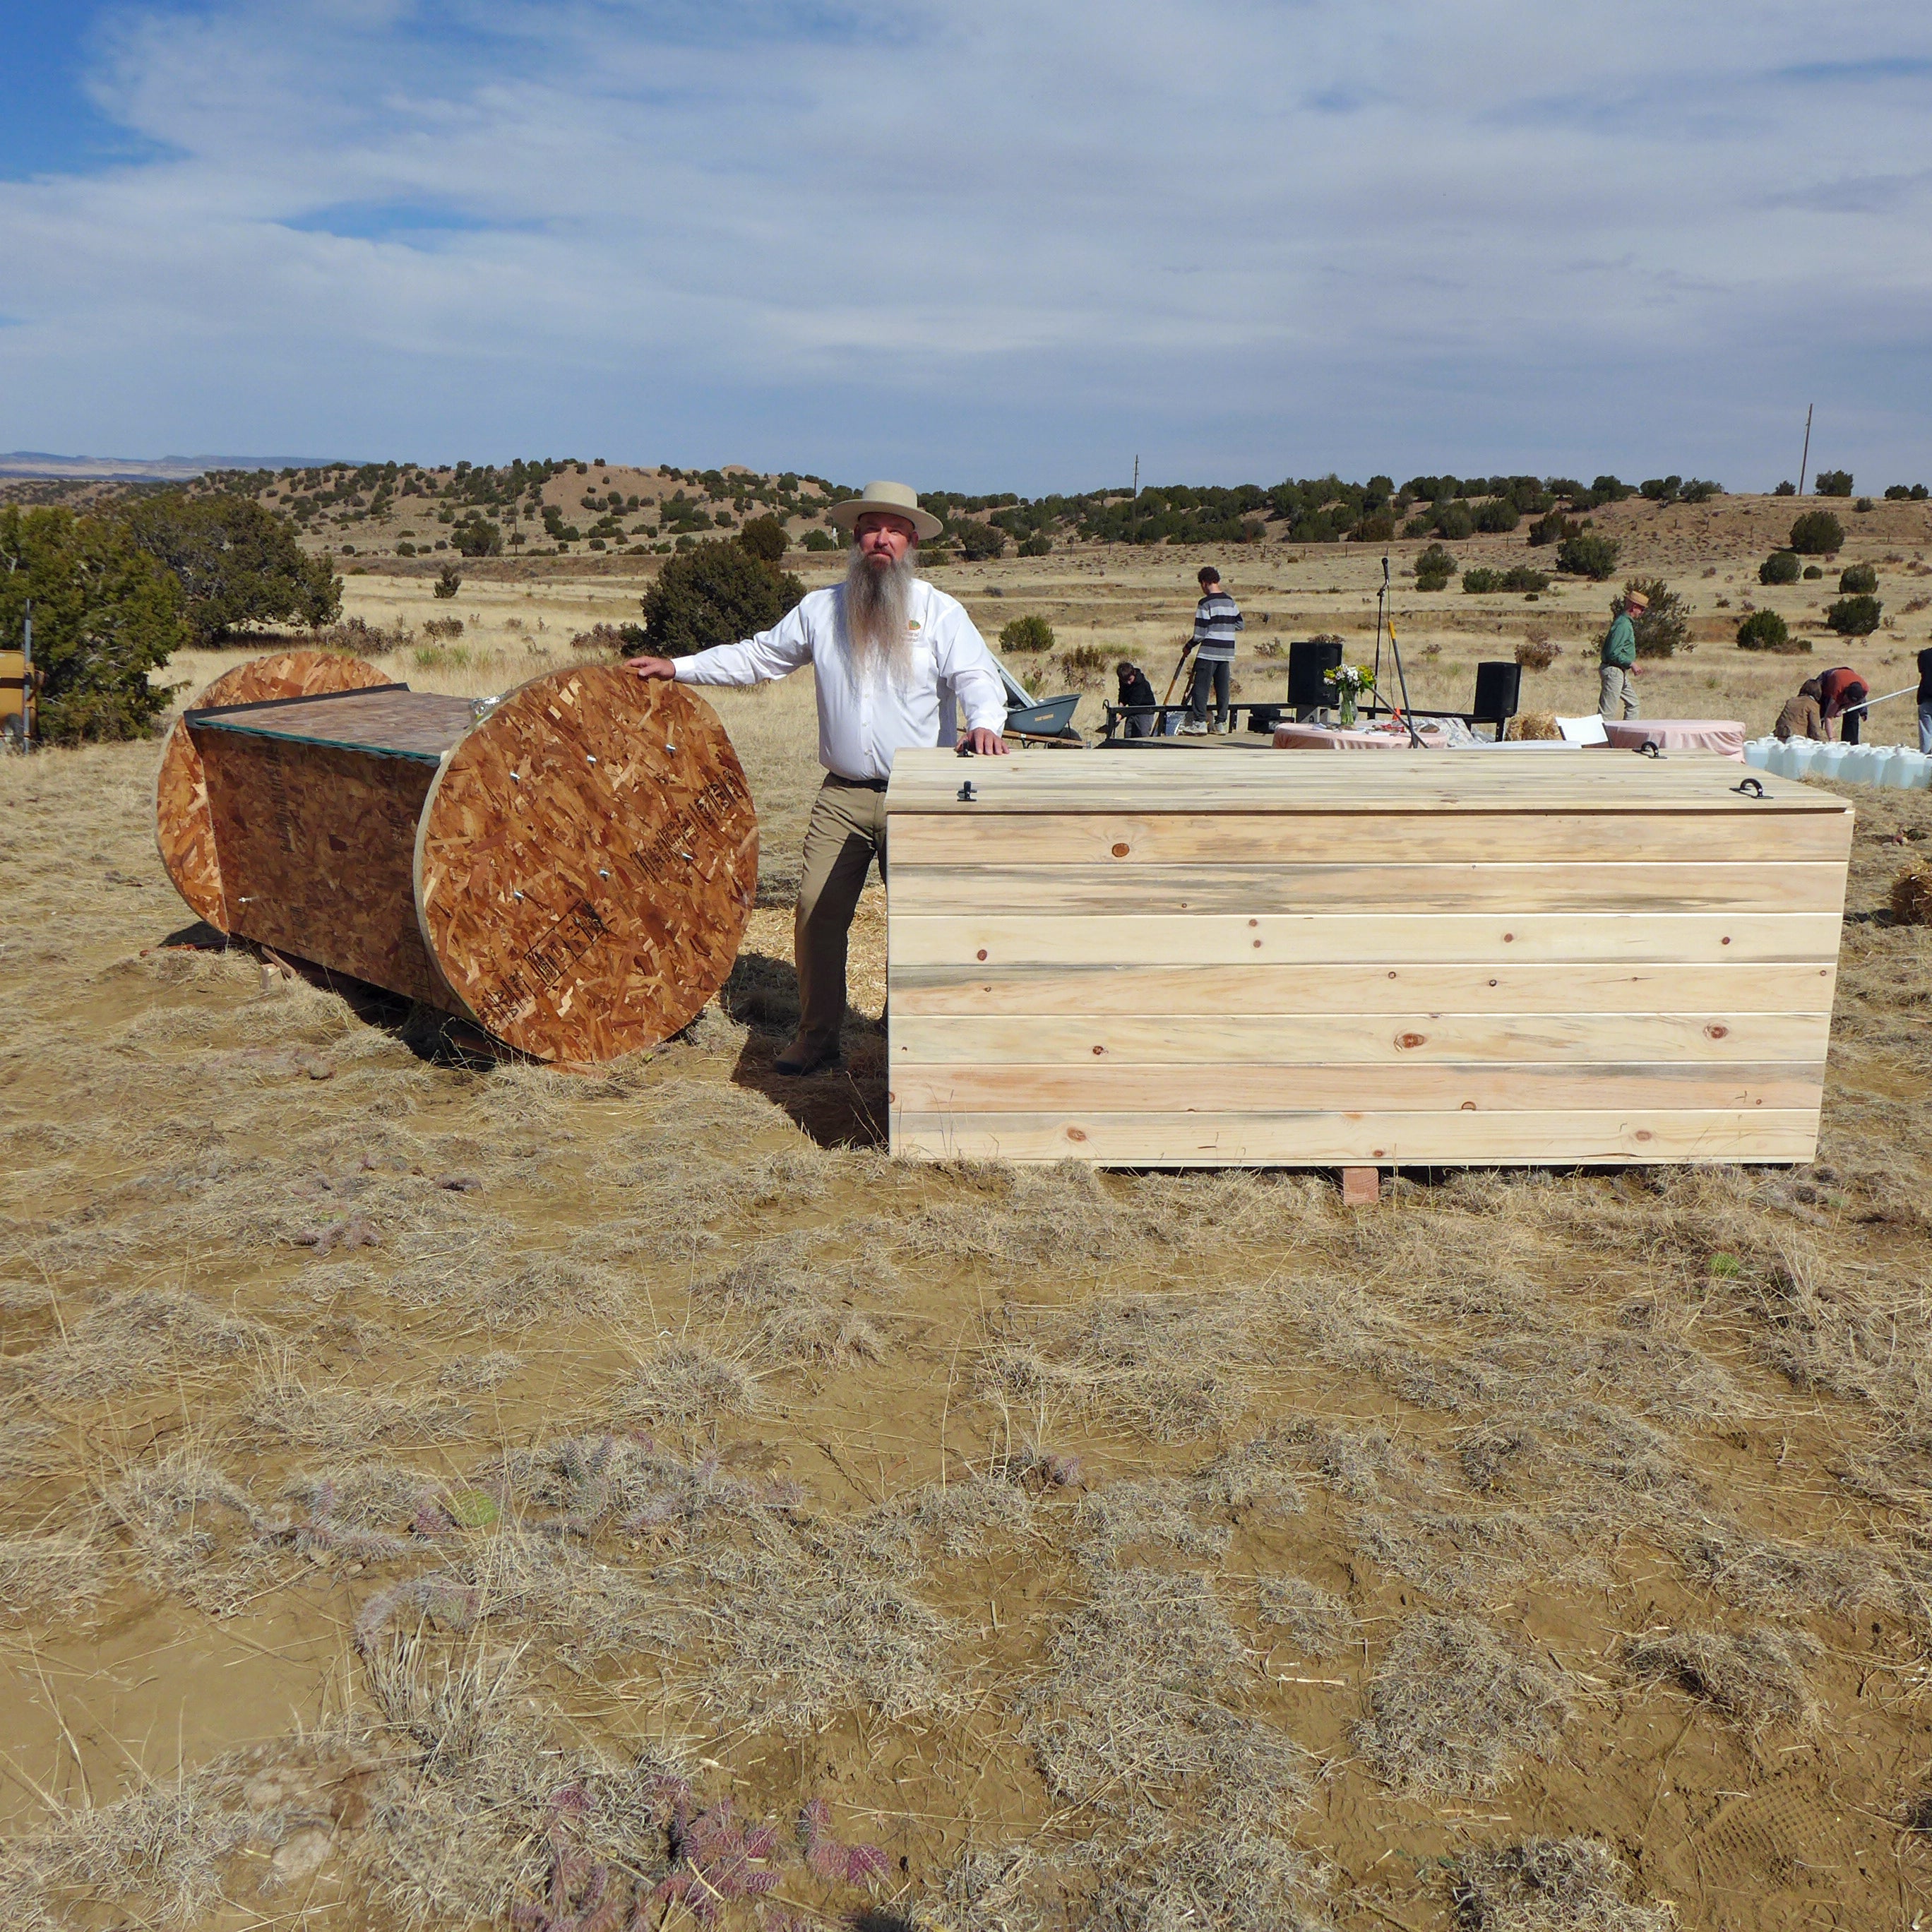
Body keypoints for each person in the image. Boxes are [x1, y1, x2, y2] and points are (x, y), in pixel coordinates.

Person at [626, 479, 1008, 1077]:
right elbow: (758, 657)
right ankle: (817, 1037)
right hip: (844, 794)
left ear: (911, 541)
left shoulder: (939, 611)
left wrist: (985, 723)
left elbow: (977, 678)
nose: (883, 538)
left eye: (895, 529)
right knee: (813, 909)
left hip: (922, 793)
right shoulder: (820, 609)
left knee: (925, 919)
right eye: (872, 528)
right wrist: (680, 668)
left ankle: (909, 1037)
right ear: (856, 539)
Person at [1179, 566, 1243, 734]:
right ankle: (1220, 723)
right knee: (1223, 687)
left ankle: (1200, 722)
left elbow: (1200, 634)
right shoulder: (1230, 601)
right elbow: (1240, 624)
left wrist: (1188, 646)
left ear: (1205, 583)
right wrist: (1224, 628)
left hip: (1209, 651)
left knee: (1201, 686)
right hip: (1227, 650)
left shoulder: (1204, 603)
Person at [1597, 588, 1645, 720]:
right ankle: (1599, 739)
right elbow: (1613, 652)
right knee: (1607, 713)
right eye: (1642, 609)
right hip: (1613, 670)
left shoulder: (1625, 623)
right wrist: (1631, 663)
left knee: (1633, 704)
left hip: (1619, 671)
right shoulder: (1623, 624)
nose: (1642, 613)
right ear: (1634, 607)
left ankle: (1628, 735)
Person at [1817, 664, 1869, 744]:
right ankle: (1815, 739)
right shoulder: (1838, 691)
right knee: (1818, 712)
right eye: (1847, 699)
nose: (1848, 702)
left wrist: (1841, 709)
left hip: (1847, 674)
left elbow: (1857, 702)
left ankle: (1850, 743)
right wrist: (1832, 738)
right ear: (1845, 694)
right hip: (1827, 680)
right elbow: (1828, 717)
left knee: (1852, 712)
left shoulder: (1865, 689)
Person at [1773, 677, 1825, 743]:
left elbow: (1779, 721)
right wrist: (1824, 743)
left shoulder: (1791, 700)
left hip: (1779, 733)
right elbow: (1815, 730)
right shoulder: (1813, 704)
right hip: (1796, 738)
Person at [1115, 659, 1158, 738]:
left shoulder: (1141, 684)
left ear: (1134, 674)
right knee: (1128, 734)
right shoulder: (1124, 679)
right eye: (1125, 681)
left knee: (1143, 735)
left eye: (1130, 680)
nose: (1128, 683)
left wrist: (1121, 715)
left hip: (1145, 711)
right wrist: (1121, 704)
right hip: (1131, 711)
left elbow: (1134, 703)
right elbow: (1123, 693)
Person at [1919, 646, 1932, 756]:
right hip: (1926, 698)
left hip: (1926, 696)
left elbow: (1921, 670)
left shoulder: (1924, 655)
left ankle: (1926, 759)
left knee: (1926, 732)